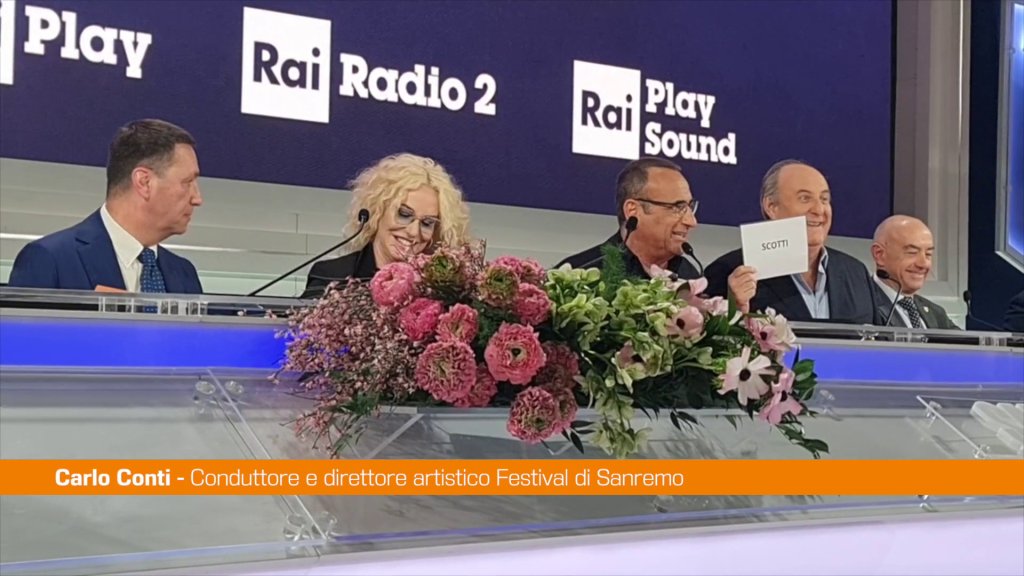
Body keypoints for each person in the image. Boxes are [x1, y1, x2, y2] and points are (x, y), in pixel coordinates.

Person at [9, 119, 204, 293]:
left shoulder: (185, 274)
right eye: (187, 182)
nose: (197, 199)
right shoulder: (51, 259)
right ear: (144, 182)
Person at [704, 159, 875, 323]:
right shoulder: (728, 271)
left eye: (824, 199)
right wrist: (736, 308)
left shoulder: (857, 273)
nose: (819, 210)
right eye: (805, 198)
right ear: (771, 206)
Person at [301, 153, 472, 298]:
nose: (414, 232)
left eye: (427, 223)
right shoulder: (330, 277)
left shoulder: (441, 292)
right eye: (404, 214)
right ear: (378, 210)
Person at [559, 157, 719, 286]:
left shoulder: (689, 275)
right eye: (678, 207)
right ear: (633, 210)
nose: (692, 221)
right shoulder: (580, 276)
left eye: (690, 207)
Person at [869, 215, 957, 329]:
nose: (923, 264)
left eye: (928, 254)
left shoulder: (936, 313)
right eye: (912, 252)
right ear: (879, 254)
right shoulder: (860, 306)